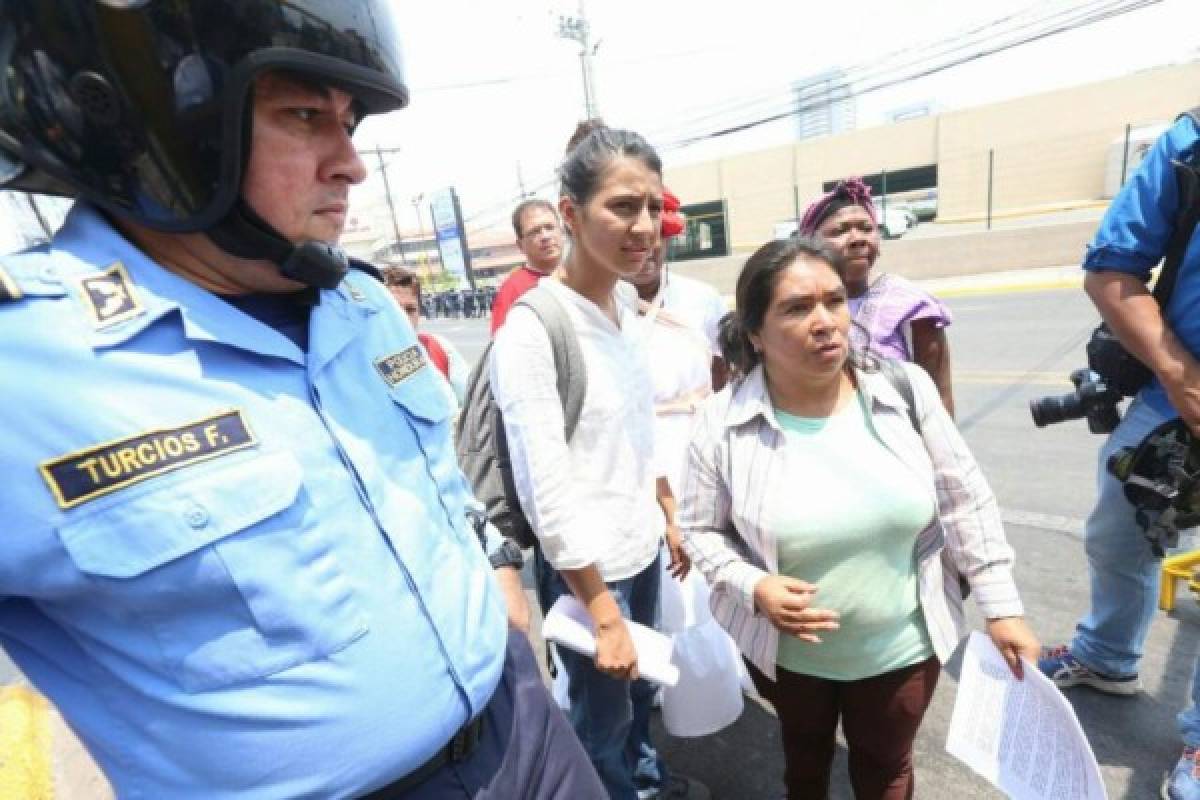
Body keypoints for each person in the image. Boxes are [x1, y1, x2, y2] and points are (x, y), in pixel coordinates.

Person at [0, 3, 605, 798]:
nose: (350, 162)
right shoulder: (28, 369)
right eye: (303, 116)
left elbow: (436, 481)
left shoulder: (361, 302)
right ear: (165, 128)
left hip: (523, 727)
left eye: (349, 121)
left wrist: (496, 566)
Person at [679, 236, 1039, 799]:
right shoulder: (719, 423)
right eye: (797, 308)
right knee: (805, 758)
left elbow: (965, 499)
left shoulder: (904, 390)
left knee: (885, 767)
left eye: (834, 301)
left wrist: (1002, 608)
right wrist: (754, 585)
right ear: (754, 333)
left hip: (901, 648)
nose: (825, 322)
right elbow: (699, 529)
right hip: (785, 656)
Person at [490, 127, 695, 800]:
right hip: (587, 574)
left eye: (651, 208)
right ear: (571, 213)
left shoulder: (627, 305)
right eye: (622, 208)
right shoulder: (534, 329)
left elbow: (636, 431)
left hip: (640, 553)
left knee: (638, 704)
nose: (644, 227)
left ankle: (644, 781)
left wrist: (665, 511)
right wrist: (603, 614)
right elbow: (545, 490)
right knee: (598, 722)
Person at [1035, 110, 1200, 800]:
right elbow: (1111, 271)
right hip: (1179, 386)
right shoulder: (1191, 146)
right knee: (1116, 530)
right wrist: (1182, 379)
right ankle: (1106, 655)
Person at [799, 178, 955, 416]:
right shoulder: (795, 306)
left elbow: (940, 399)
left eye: (866, 228)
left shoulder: (912, 308)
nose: (858, 238)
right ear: (810, 242)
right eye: (840, 231)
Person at [628, 188, 730, 391]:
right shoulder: (599, 306)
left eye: (653, 238)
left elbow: (724, 372)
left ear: (667, 240)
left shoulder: (703, 299)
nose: (644, 250)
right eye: (633, 243)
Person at [384, 267, 469, 408]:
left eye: (410, 310)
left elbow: (471, 406)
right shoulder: (361, 366)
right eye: (395, 311)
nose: (404, 319)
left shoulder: (439, 348)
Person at [489, 198, 565, 334]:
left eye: (549, 227)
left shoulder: (581, 275)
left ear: (561, 231)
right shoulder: (512, 290)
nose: (545, 236)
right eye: (535, 232)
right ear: (520, 245)